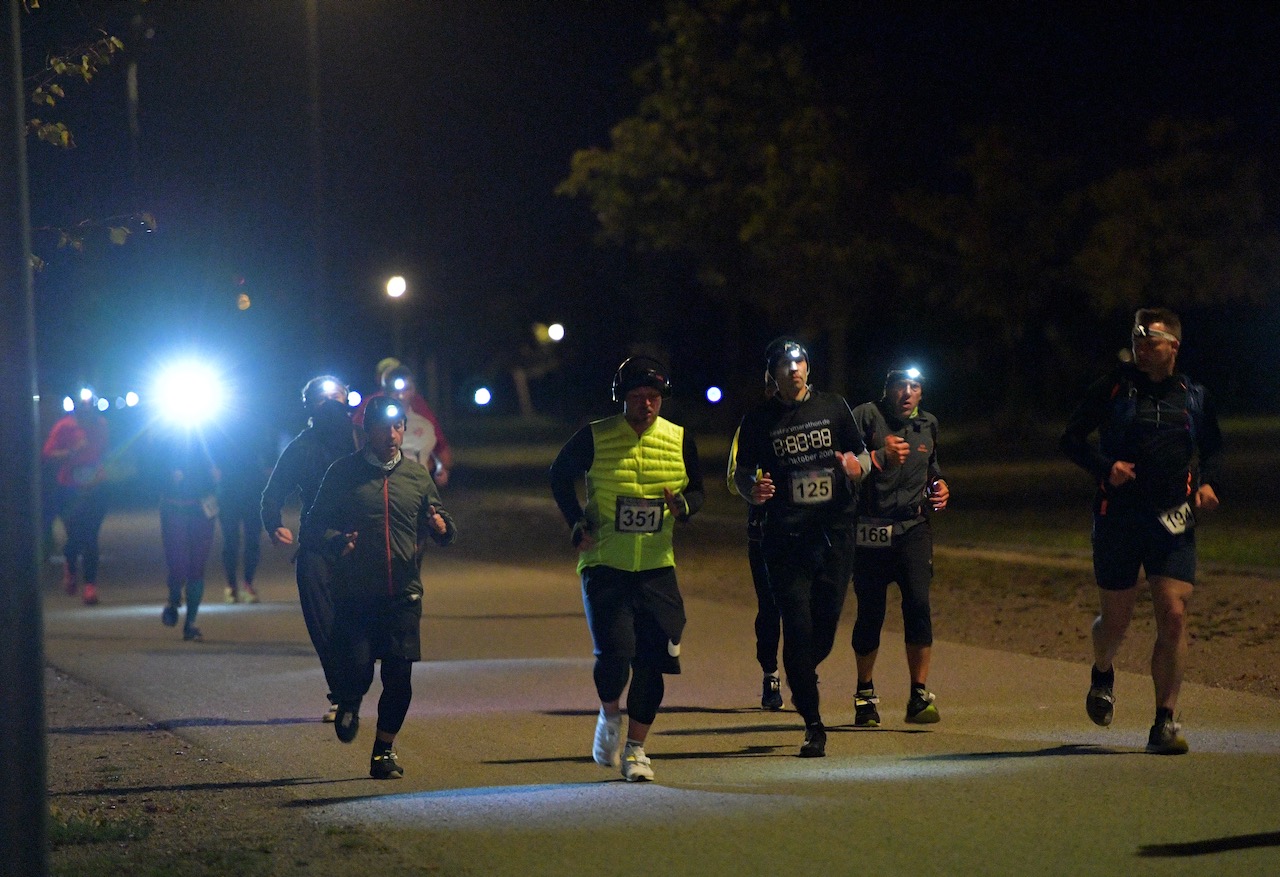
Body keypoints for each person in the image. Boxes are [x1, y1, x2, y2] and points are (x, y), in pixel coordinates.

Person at [1060, 307, 1222, 755]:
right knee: (1115, 623)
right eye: (1136, 340)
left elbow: (1213, 449)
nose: (1140, 348)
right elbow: (1071, 438)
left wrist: (1208, 482)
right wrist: (1104, 467)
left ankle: (1165, 720)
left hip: (1172, 520)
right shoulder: (1114, 387)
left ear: (1173, 345)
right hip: (1119, 518)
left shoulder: (1194, 396)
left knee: (1173, 613)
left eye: (1149, 340)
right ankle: (1103, 669)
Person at [550, 356, 704, 782]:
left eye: (654, 398)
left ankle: (637, 749)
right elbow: (559, 474)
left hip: (657, 567)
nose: (648, 406)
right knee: (615, 655)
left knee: (654, 662)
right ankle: (609, 715)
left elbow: (698, 490)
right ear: (621, 399)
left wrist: (685, 506)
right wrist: (576, 521)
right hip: (605, 563)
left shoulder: (678, 439)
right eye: (638, 398)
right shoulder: (595, 437)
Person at [301, 394, 456, 780]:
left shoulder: (417, 476)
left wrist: (443, 528)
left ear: (405, 429)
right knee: (357, 670)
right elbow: (313, 527)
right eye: (383, 427)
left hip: (403, 592)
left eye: (398, 426)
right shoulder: (342, 473)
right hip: (355, 593)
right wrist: (337, 541)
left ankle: (383, 751)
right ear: (366, 431)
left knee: (399, 677)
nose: (391, 434)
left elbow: (441, 521)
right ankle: (350, 700)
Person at [731, 338, 869, 757]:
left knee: (823, 629)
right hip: (785, 539)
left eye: (800, 362)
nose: (794, 369)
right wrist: (753, 491)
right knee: (796, 624)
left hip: (835, 532)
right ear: (772, 374)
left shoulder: (834, 406)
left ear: (808, 368)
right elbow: (741, 474)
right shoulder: (758, 419)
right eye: (784, 364)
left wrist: (855, 467)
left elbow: (862, 456)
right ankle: (814, 723)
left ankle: (801, 671)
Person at [849, 366, 950, 727]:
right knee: (870, 613)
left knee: (919, 605)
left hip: (913, 527)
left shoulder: (929, 424)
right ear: (887, 388)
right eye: (900, 386)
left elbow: (931, 466)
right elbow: (846, 465)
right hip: (870, 529)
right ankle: (864, 694)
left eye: (915, 386)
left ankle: (919, 695)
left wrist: (939, 486)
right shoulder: (864, 416)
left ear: (921, 393)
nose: (907, 392)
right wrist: (878, 453)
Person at [261, 375, 363, 722]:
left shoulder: (365, 441)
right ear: (310, 406)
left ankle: (357, 684)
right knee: (323, 623)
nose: (331, 407)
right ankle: (342, 694)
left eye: (337, 399)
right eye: (323, 401)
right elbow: (273, 493)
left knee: (361, 624)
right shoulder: (301, 448)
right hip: (317, 544)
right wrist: (273, 523)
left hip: (362, 544)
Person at [727, 418, 783, 710]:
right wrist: (755, 487)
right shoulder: (751, 426)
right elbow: (734, 479)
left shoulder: (816, 416)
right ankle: (771, 675)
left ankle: (803, 674)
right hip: (763, 531)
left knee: (808, 607)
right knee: (770, 606)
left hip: (808, 532)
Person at [42, 386, 111, 605]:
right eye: (83, 405)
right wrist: (72, 452)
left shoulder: (101, 425)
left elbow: (104, 451)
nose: (87, 409)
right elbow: (48, 453)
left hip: (95, 488)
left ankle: (90, 585)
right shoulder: (64, 427)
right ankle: (70, 566)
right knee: (74, 537)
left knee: (90, 536)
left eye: (91, 404)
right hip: (69, 489)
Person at [158, 430, 220, 642]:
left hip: (202, 509)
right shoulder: (165, 437)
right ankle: (174, 598)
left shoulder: (212, 436)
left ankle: (191, 622)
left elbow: (231, 460)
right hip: (175, 508)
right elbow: (148, 470)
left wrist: (218, 473)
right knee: (178, 563)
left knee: (197, 567)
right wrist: (168, 475)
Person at [210, 412, 275, 604]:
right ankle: (232, 586)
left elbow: (269, 458)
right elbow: (211, 458)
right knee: (232, 540)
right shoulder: (219, 430)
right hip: (230, 492)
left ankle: (246, 584)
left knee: (251, 540)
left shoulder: (258, 428)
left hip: (251, 492)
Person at [355, 364, 453, 486]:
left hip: (419, 487)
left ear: (413, 390)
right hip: (384, 487)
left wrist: (440, 467)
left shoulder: (424, 421)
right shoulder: (371, 417)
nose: (400, 395)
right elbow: (359, 446)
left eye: (406, 389)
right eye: (394, 390)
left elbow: (440, 451)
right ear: (385, 391)